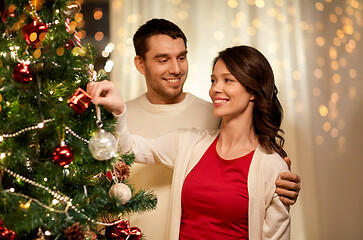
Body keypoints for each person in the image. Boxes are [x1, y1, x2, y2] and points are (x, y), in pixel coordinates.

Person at [89, 19, 300, 239]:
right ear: (140, 64)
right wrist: (119, 110)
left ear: (254, 91)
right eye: (213, 80)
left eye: (228, 80)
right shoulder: (189, 142)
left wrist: (280, 178)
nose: (216, 89)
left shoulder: (268, 163)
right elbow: (128, 147)